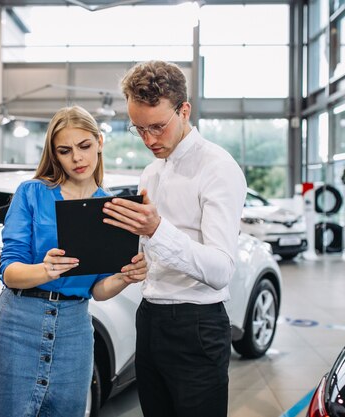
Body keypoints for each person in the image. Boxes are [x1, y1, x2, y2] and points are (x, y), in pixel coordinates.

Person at [102, 60, 247, 417]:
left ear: (184, 111)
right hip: (149, 318)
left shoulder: (218, 167)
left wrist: (156, 229)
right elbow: (153, 251)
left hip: (197, 325)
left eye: (157, 127)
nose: (149, 139)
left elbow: (220, 270)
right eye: (138, 129)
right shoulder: (151, 172)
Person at [0, 105, 148, 417]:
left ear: (99, 142)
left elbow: (99, 289)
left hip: (74, 330)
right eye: (65, 151)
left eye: (85, 146)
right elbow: (9, 271)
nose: (77, 158)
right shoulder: (32, 193)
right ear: (54, 154)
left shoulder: (112, 208)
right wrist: (43, 270)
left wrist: (125, 277)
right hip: (19, 324)